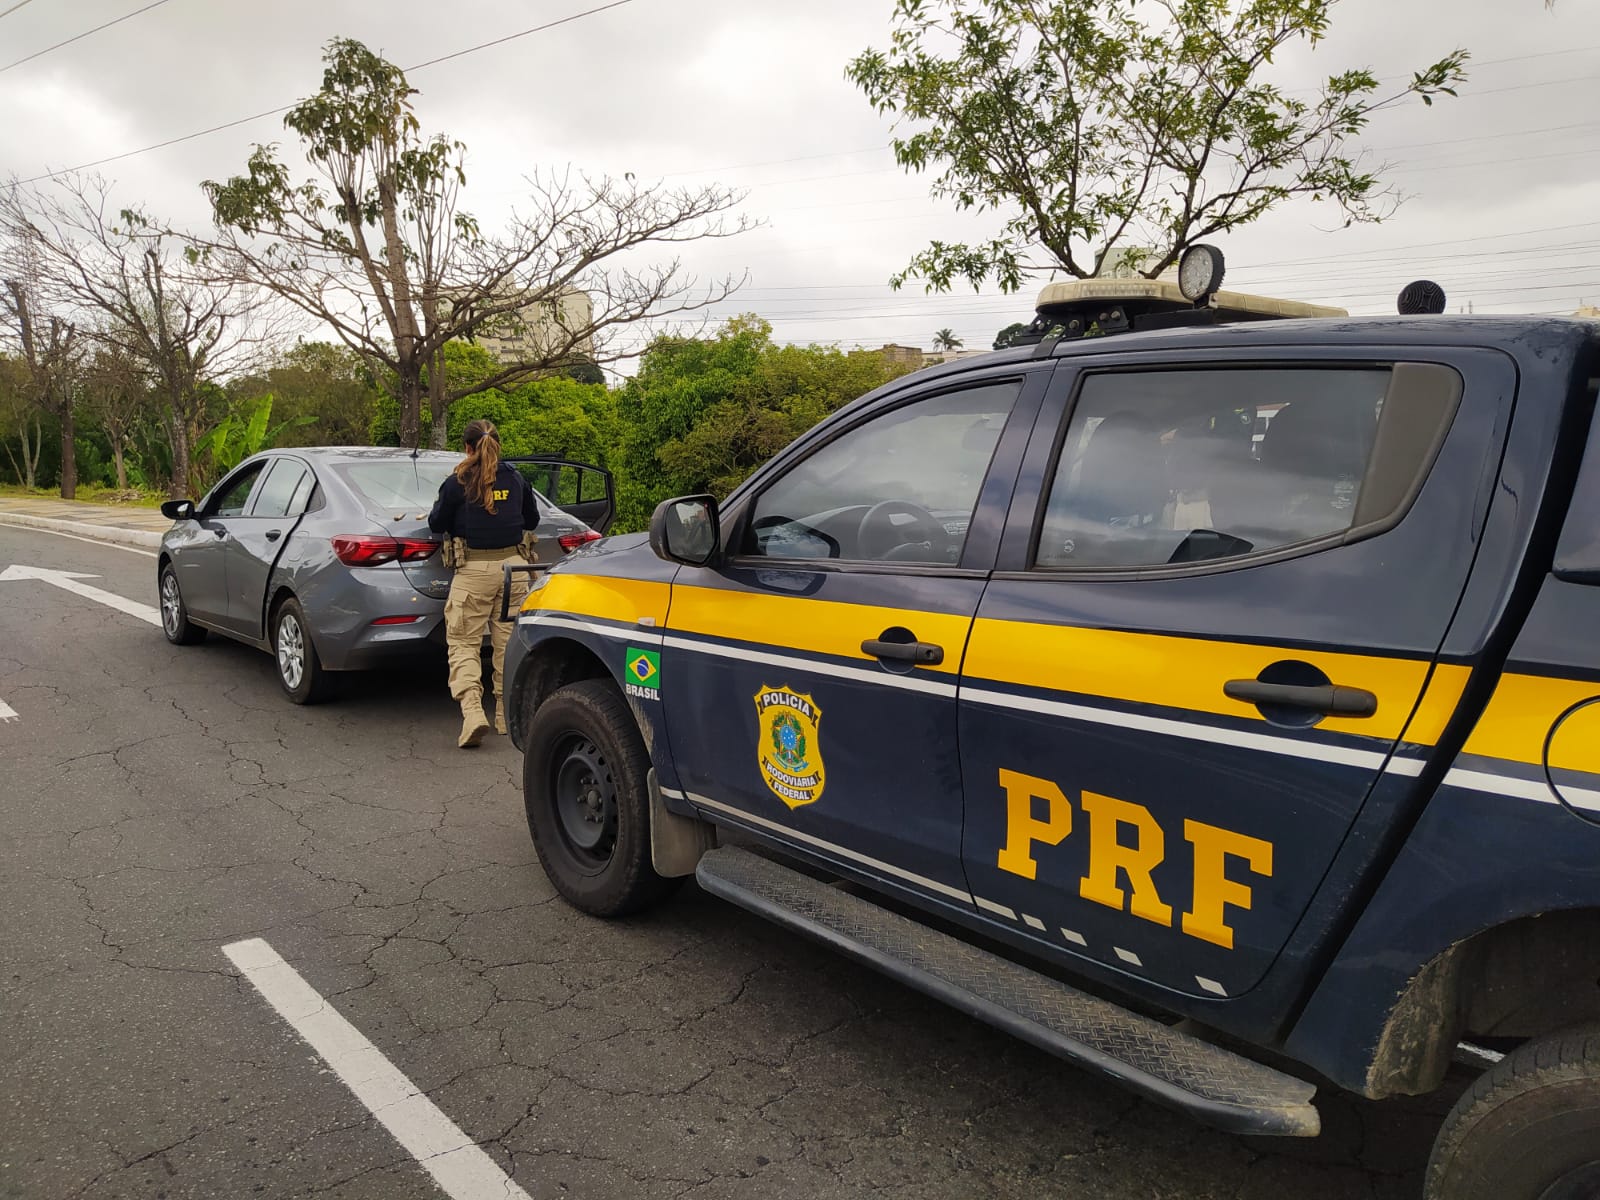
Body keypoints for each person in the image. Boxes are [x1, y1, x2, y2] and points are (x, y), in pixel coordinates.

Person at [428, 419, 540, 748]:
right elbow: (531, 520)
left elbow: (437, 523)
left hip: (474, 571)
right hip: (515, 571)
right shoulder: (517, 479)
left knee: (464, 644)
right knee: (508, 645)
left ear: (467, 447)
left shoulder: (457, 482)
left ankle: (474, 713)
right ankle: (506, 717)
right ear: (498, 445)